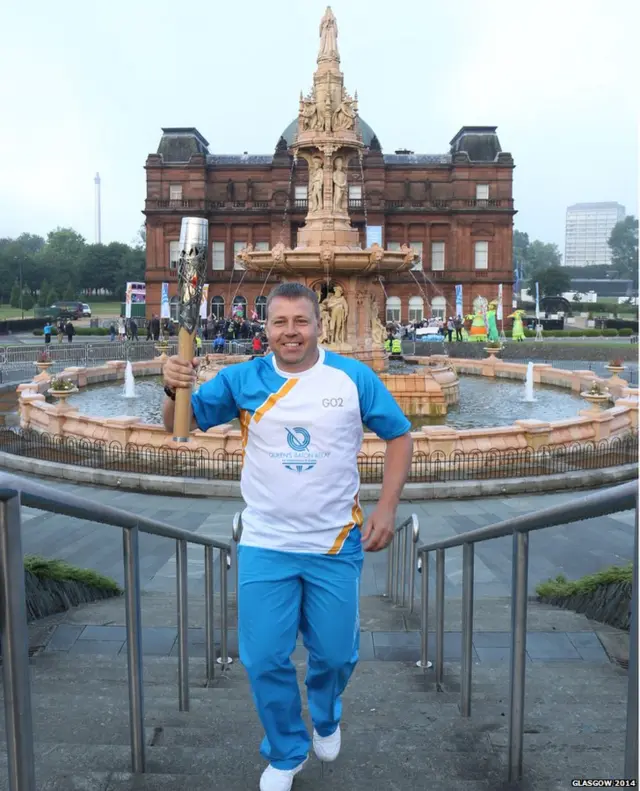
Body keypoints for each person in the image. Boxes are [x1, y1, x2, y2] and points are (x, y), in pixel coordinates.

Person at [162, 283, 412, 791]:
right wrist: (172, 390)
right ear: (266, 327)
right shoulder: (242, 379)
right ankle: (286, 749)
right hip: (265, 542)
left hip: (334, 544)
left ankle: (325, 713)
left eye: (301, 321)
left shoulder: (351, 378)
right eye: (280, 322)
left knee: (337, 655)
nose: (290, 332)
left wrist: (386, 508)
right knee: (263, 658)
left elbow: (399, 435)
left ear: (319, 325)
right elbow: (178, 428)